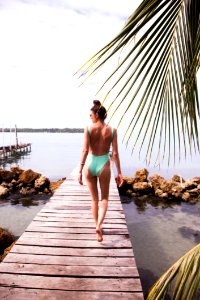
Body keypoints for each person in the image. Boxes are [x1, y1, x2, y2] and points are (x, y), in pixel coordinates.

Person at [78, 100, 123, 242]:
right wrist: (119, 173)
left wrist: (80, 170)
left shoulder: (89, 128)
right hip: (104, 164)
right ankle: (99, 226)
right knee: (104, 199)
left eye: (91, 114)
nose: (90, 117)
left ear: (97, 114)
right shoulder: (113, 131)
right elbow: (115, 154)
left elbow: (85, 150)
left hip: (90, 163)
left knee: (94, 199)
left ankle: (97, 227)